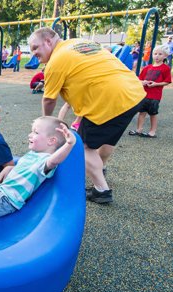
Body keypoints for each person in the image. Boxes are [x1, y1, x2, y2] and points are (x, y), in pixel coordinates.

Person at [29, 27, 146, 204]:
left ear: (48, 41)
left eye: (35, 47)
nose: (34, 53)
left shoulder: (55, 62)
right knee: (106, 141)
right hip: (133, 93)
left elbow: (49, 99)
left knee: (83, 147)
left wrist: (47, 123)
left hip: (108, 99)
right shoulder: (81, 43)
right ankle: (100, 168)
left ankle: (102, 190)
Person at [129, 45, 172, 139]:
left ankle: (152, 131)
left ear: (165, 56)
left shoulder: (165, 68)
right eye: (155, 54)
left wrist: (156, 84)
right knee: (141, 112)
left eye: (160, 54)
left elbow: (167, 81)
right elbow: (139, 79)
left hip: (155, 96)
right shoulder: (147, 67)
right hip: (144, 95)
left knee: (153, 114)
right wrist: (143, 82)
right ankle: (139, 129)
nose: (157, 56)